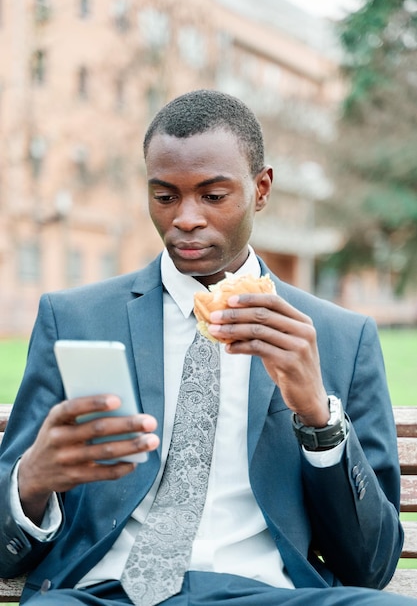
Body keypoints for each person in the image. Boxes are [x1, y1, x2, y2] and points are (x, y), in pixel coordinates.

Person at [0, 89, 414, 606]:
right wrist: (32, 481)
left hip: (269, 594)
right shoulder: (75, 319)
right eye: (165, 196)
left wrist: (318, 417)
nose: (186, 218)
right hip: (104, 594)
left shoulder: (339, 338)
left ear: (261, 189)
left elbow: (371, 566)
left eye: (213, 196)